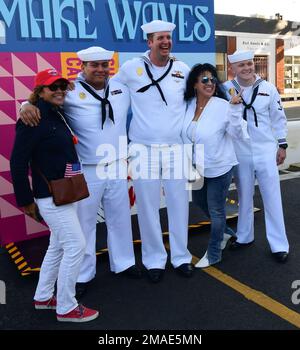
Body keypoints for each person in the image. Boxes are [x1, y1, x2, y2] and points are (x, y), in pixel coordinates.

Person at [19, 47, 141, 298]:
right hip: (87, 169)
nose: (100, 69)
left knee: (120, 219)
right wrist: (24, 106)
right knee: (85, 225)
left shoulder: (121, 89)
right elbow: (43, 102)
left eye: (104, 65)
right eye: (93, 65)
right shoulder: (70, 92)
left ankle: (124, 263)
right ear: (82, 67)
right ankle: (84, 274)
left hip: (118, 164)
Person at [10, 69, 99, 322]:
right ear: (40, 91)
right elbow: (17, 163)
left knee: (58, 245)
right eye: (52, 87)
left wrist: (27, 103)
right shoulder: (33, 118)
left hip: (64, 193)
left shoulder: (56, 112)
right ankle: (67, 307)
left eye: (62, 85)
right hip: (49, 196)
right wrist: (25, 201)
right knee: (76, 246)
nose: (59, 90)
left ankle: (43, 296)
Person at [113, 20, 194, 282]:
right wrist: (27, 103)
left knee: (179, 204)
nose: (165, 42)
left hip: (176, 148)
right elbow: (101, 89)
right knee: (147, 207)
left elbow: (206, 93)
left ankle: (181, 256)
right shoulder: (131, 68)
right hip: (142, 149)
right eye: (160, 38)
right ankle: (154, 260)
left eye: (168, 38)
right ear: (149, 42)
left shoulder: (182, 68)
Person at [224, 50, 289, 262]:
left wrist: (282, 145)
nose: (247, 68)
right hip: (240, 151)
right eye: (241, 65)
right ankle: (244, 237)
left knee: (272, 198)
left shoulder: (268, 88)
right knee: (244, 196)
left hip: (265, 150)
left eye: (249, 64)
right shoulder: (226, 89)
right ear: (233, 68)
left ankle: (279, 245)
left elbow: (278, 118)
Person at [182, 63, 247, 268]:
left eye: (212, 80)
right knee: (200, 202)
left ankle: (214, 253)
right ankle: (226, 232)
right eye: (204, 80)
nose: (210, 83)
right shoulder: (188, 104)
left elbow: (239, 133)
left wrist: (236, 109)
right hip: (196, 166)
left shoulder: (223, 105)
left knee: (216, 210)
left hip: (220, 166)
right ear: (194, 84)